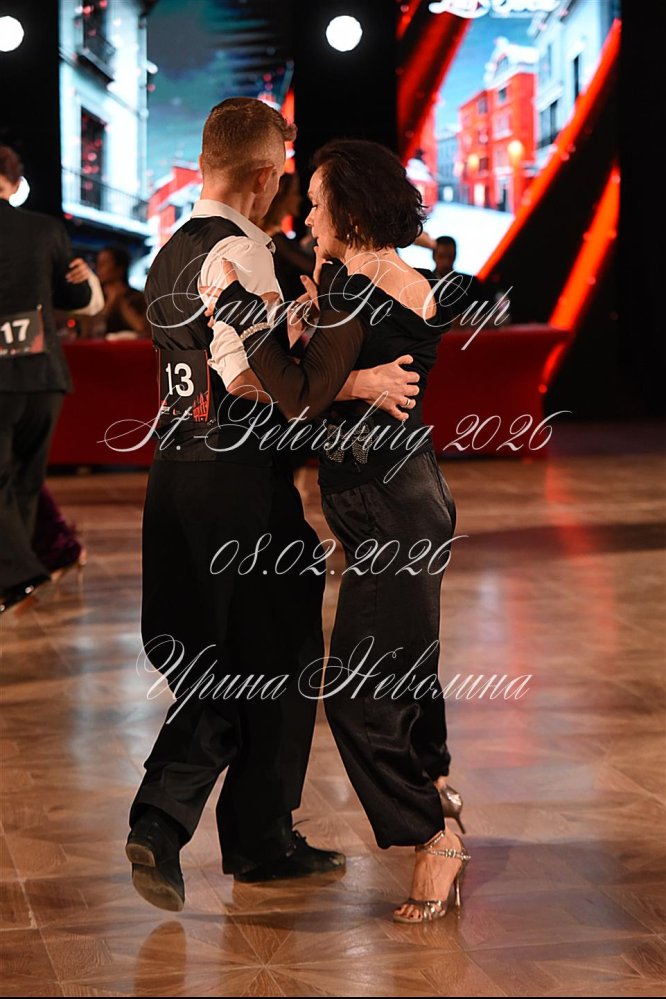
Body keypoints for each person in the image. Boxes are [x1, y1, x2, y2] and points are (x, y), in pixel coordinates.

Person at [126, 99, 422, 911]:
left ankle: (240, 833)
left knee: (233, 654)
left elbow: (214, 365)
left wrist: (292, 326)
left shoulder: (170, 252)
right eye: (285, 180)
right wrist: (354, 380)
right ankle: (200, 826)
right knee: (277, 657)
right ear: (265, 177)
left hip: (175, 475)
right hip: (238, 483)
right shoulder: (242, 254)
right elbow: (260, 386)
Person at [204, 139, 470, 924]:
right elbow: (332, 372)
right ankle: (438, 782)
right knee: (405, 665)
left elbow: (300, 396)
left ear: (348, 209)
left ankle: (433, 834)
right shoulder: (373, 281)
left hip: (391, 509)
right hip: (400, 500)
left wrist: (243, 312)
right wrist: (319, 318)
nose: (307, 215)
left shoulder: (360, 287)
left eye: (318, 202)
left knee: (356, 694)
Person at [0, 146, 103, 616]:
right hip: (44, 377)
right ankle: (15, 581)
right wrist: (84, 279)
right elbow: (78, 300)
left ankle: (21, 575)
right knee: (26, 481)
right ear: (13, 180)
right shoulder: (46, 230)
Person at [261, 170, 315, 302]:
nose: (299, 199)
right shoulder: (278, 241)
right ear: (283, 197)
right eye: (295, 193)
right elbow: (311, 268)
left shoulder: (271, 237)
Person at [87, 245, 149, 338]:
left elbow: (143, 329)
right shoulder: (94, 296)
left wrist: (121, 302)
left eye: (104, 263)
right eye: (98, 263)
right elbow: (88, 331)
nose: (98, 268)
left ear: (120, 269)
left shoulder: (137, 297)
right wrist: (110, 303)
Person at [423, 235, 486, 326]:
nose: (446, 262)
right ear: (433, 256)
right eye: (441, 256)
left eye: (449, 257)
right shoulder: (424, 283)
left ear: (455, 256)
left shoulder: (472, 283)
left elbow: (484, 314)